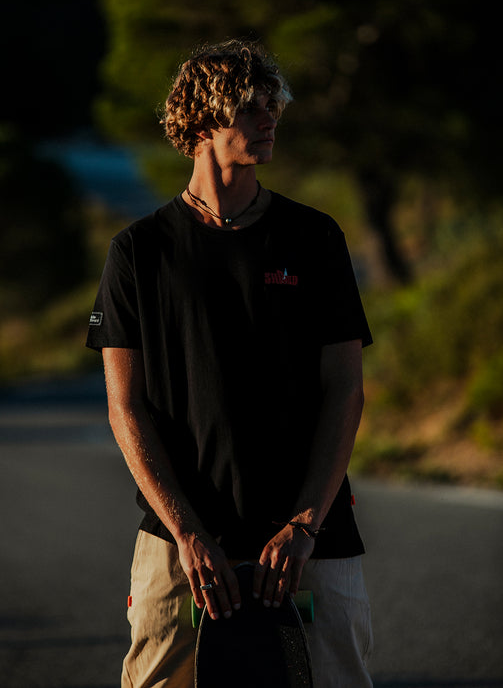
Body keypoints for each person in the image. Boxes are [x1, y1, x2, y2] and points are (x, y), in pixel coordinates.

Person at [86, 39, 374, 688]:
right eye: (250, 106)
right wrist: (187, 533)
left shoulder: (314, 238)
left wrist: (305, 524)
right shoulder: (139, 253)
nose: (270, 118)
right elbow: (125, 407)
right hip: (180, 542)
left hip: (311, 539)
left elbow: (344, 391)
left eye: (274, 104)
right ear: (199, 120)